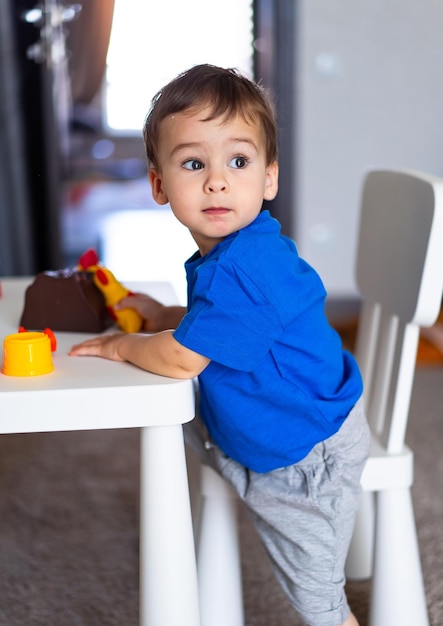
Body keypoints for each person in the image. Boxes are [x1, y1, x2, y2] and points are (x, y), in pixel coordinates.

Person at [70, 64, 370, 626]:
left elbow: (184, 355)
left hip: (303, 455)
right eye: (193, 163)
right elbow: (218, 324)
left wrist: (121, 347)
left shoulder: (247, 266)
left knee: (318, 601)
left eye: (238, 161)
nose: (217, 181)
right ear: (159, 184)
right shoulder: (235, 254)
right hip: (289, 420)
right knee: (180, 409)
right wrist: (165, 316)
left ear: (269, 177)